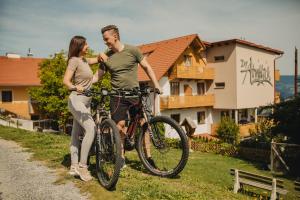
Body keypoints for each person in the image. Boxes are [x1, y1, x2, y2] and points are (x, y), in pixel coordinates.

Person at [94, 25, 162, 168]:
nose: (105, 42)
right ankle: (121, 157)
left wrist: (156, 84)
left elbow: (147, 67)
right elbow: (97, 77)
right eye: (104, 39)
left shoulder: (133, 50)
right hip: (117, 96)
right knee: (120, 126)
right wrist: (82, 85)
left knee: (143, 123)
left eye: (106, 39)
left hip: (134, 94)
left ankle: (148, 157)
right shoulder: (107, 56)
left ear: (115, 36)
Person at [63, 35, 102, 181]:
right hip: (76, 100)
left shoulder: (85, 60)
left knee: (76, 133)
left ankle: (73, 166)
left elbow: (98, 59)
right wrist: (74, 86)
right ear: (79, 46)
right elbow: (65, 81)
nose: (88, 46)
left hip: (85, 103)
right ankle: (82, 166)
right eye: (85, 44)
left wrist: (106, 55)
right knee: (91, 128)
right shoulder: (74, 61)